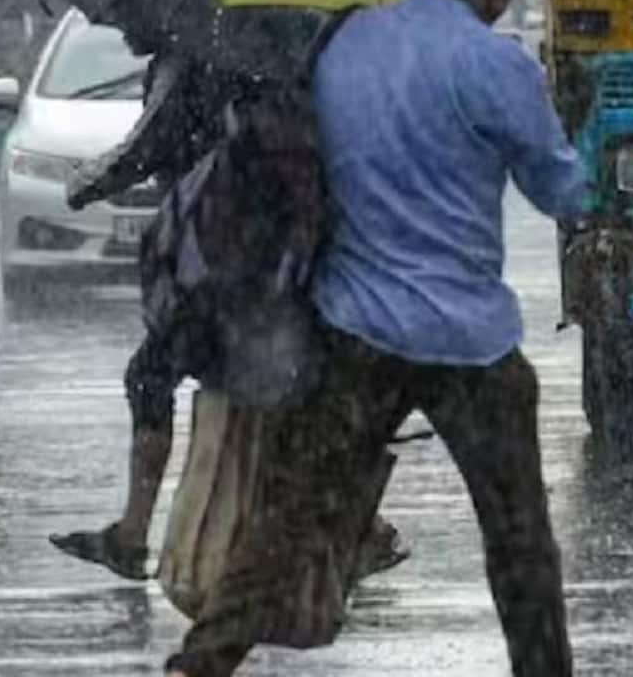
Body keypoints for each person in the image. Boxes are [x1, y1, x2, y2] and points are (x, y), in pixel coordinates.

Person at [163, 0, 592, 677]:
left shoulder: (346, 42)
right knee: (518, 538)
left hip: (353, 332)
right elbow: (564, 194)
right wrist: (575, 125)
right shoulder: (494, 64)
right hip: (470, 343)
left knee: (288, 522)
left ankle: (202, 662)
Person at [50, 33, 408, 584]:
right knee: (290, 383)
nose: (122, 31)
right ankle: (364, 526)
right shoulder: (296, 56)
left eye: (129, 19)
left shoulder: (193, 55)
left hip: (219, 256)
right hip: (279, 250)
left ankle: (136, 534)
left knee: (158, 377)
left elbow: (149, 143)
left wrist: (87, 185)